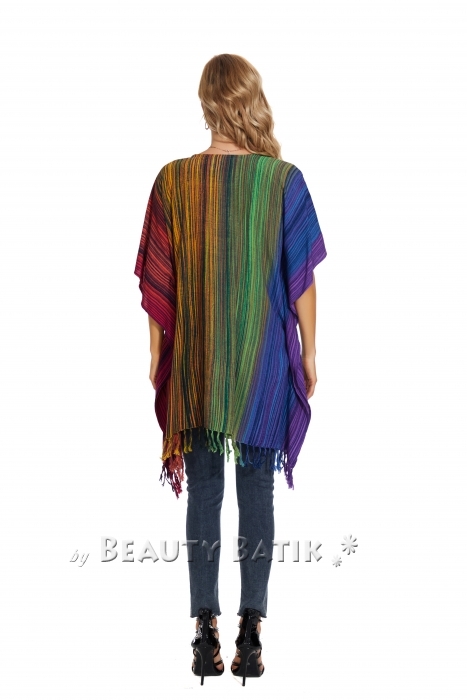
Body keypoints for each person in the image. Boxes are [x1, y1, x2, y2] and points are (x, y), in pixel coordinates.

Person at [134, 53, 327, 685]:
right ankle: (250, 633)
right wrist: (309, 351)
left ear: (206, 104)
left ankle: (203, 633)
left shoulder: (173, 181)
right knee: (257, 493)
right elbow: (302, 280)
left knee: (205, 494)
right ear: (250, 100)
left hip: (199, 367)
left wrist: (157, 355)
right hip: (262, 366)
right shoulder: (282, 181)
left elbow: (158, 287)